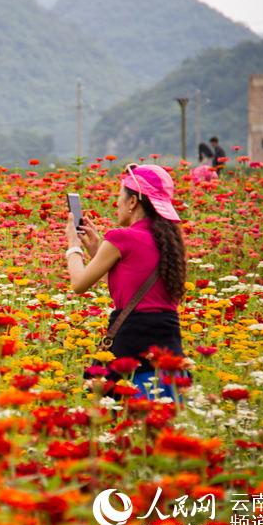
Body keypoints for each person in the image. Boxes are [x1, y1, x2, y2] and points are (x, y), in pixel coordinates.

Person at [64, 164, 188, 400]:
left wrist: (73, 245)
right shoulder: (170, 241)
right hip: (168, 340)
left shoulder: (122, 237)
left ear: (133, 202)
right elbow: (133, 278)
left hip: (131, 341)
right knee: (161, 418)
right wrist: (97, 251)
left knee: (112, 418)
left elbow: (79, 284)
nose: (117, 202)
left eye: (120, 195)